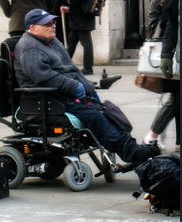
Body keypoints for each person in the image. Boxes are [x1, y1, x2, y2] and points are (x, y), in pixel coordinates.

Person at [14, 9, 161, 163]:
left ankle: (132, 148)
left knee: (107, 111)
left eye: (53, 22)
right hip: (47, 99)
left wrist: (86, 85)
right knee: (95, 116)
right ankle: (131, 153)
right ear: (32, 28)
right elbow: (42, 77)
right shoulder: (30, 48)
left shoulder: (51, 41)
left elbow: (71, 68)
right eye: (47, 24)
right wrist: (74, 87)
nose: (53, 26)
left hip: (63, 95)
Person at [143, 0, 180, 152]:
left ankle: (160, 137)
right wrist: (166, 55)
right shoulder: (165, 2)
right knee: (176, 99)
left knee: (177, 99)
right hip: (174, 56)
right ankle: (152, 136)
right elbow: (168, 24)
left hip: (172, 53)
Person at [60, 0, 95, 75]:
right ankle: (64, 64)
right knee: (71, 42)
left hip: (82, 18)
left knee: (85, 43)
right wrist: (69, 9)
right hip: (79, 18)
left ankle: (88, 67)